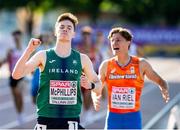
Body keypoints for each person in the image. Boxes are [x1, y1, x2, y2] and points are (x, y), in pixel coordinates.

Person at [12, 12, 102, 129]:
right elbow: (16, 74)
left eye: (69, 28)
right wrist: (29, 50)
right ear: (55, 32)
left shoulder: (82, 59)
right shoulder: (43, 56)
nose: (65, 30)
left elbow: (99, 85)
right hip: (46, 120)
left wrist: (91, 85)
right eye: (61, 27)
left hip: (71, 120)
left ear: (74, 34)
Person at [97, 27, 170, 129]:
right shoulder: (106, 65)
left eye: (118, 40)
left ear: (128, 42)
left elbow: (159, 80)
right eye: (112, 40)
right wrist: (93, 92)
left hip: (133, 118)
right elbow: (97, 85)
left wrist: (163, 86)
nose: (114, 43)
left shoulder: (141, 64)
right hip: (113, 117)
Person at [0, 30, 25, 124]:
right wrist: (5, 58)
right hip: (12, 76)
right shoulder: (11, 50)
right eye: (14, 36)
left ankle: (21, 113)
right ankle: (19, 113)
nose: (16, 37)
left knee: (20, 95)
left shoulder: (25, 48)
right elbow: (4, 62)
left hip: (22, 76)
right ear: (13, 38)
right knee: (15, 97)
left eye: (18, 35)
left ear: (21, 37)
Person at [31, 33, 54, 104]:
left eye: (48, 37)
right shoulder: (38, 48)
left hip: (49, 71)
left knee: (47, 89)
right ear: (41, 38)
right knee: (35, 87)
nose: (46, 38)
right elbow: (31, 58)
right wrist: (31, 68)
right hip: (38, 70)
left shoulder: (53, 48)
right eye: (44, 37)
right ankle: (34, 99)